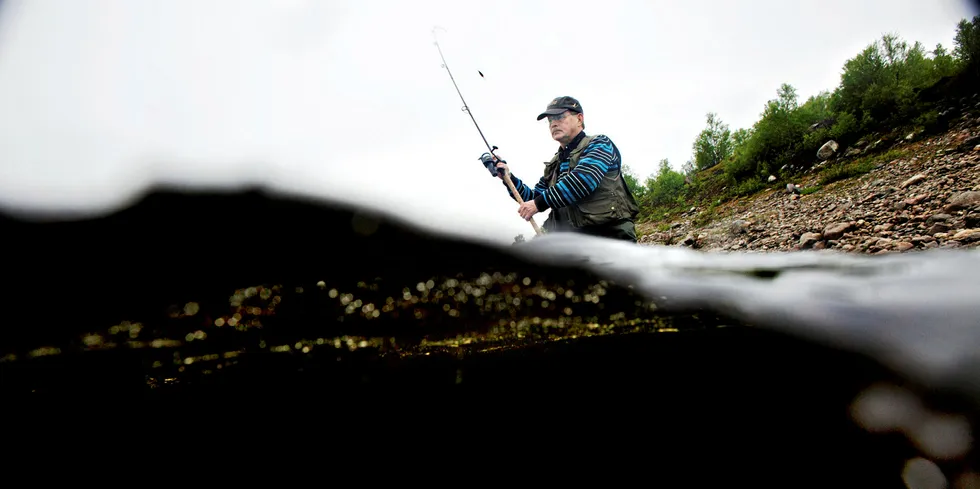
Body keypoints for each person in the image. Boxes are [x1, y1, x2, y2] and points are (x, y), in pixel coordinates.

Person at [490, 96, 640, 242]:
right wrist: (508, 178)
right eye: (550, 120)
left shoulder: (600, 144)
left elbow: (584, 180)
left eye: (560, 116)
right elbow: (532, 198)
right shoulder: (555, 164)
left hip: (610, 239)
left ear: (579, 119)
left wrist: (538, 204)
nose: (553, 123)